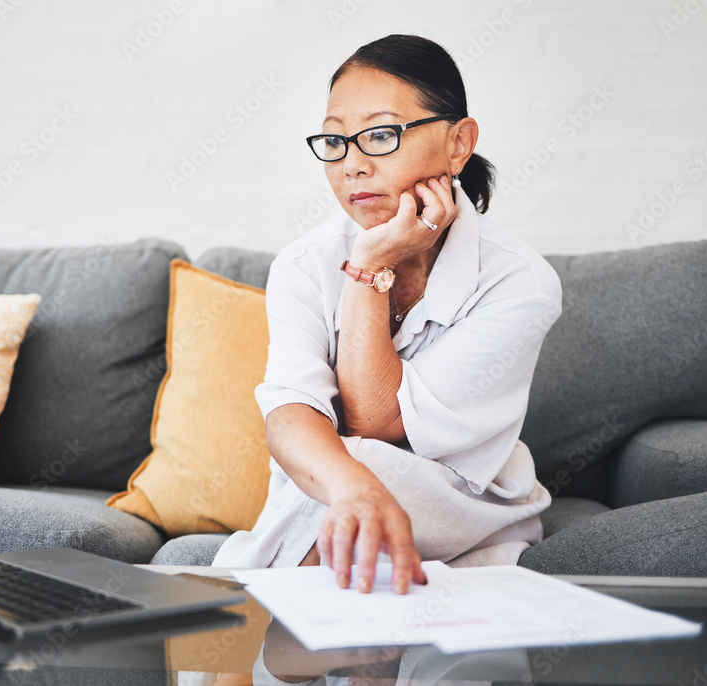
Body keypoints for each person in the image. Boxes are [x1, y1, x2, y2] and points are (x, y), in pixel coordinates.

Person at [212, 34, 562, 597]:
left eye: (380, 135)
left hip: (459, 498)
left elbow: (376, 422)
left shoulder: (520, 282)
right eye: (335, 140)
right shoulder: (303, 264)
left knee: (346, 474)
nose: (351, 165)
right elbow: (289, 413)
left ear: (458, 143)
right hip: (326, 485)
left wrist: (370, 264)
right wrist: (351, 488)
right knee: (339, 485)